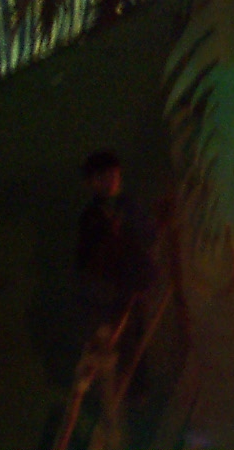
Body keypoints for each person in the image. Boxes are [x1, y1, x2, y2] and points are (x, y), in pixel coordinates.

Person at [76, 151, 158, 388]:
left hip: (136, 282)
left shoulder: (129, 205)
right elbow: (87, 257)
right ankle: (123, 388)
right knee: (119, 338)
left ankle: (138, 385)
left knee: (138, 335)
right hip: (111, 290)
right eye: (104, 176)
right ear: (92, 182)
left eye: (115, 175)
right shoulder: (91, 216)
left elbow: (148, 234)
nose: (112, 181)